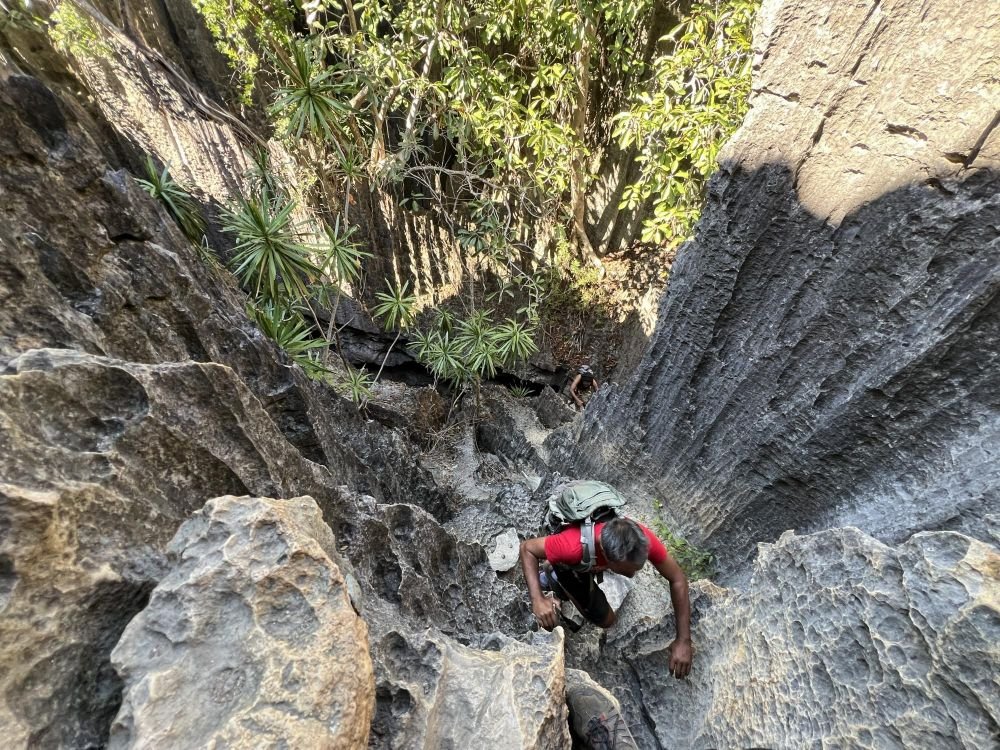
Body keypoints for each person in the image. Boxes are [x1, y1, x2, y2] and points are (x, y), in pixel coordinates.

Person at [519, 516, 693, 678]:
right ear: (607, 556)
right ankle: (554, 576)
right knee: (606, 620)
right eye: (629, 569)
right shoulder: (571, 547)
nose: (632, 575)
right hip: (572, 557)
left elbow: (677, 579)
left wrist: (684, 640)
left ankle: (582, 571)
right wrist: (538, 599)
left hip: (593, 555)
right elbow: (528, 548)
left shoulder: (639, 538)